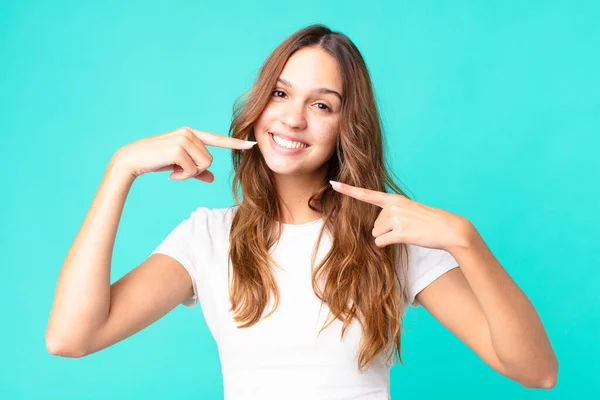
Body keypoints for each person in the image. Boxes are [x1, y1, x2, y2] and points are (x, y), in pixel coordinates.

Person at [46, 24, 558, 398]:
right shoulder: (208, 237)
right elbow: (72, 337)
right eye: (280, 93)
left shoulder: (390, 238)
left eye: (321, 105)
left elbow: (537, 371)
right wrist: (120, 170)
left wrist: (466, 240)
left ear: (346, 128)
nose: (291, 117)